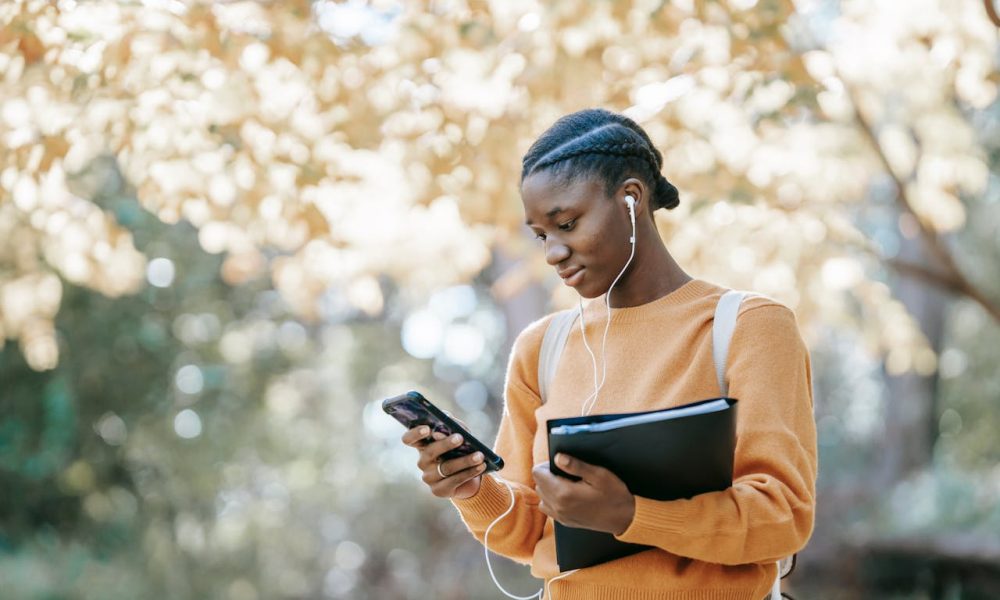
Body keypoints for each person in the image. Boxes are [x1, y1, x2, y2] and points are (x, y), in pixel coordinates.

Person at [401, 108, 817, 599]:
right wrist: (470, 488)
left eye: (568, 223)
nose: (553, 252)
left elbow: (782, 517)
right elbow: (527, 533)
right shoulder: (542, 348)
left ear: (631, 199)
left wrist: (630, 514)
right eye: (541, 235)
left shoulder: (747, 327)